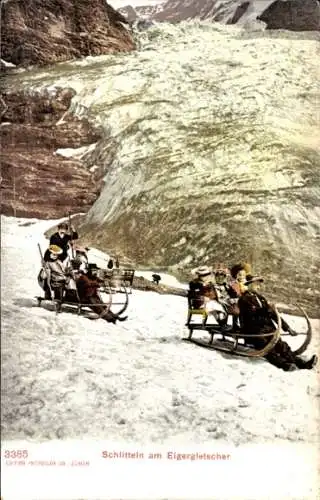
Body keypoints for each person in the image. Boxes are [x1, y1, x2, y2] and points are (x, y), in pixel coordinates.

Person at [238, 275, 318, 371]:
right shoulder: (243, 299)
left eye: (259, 284)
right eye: (256, 284)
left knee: (282, 346)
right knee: (269, 349)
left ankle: (301, 363)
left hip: (268, 330)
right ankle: (284, 365)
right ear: (249, 285)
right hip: (254, 332)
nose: (258, 286)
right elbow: (252, 315)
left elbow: (273, 314)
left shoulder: (261, 298)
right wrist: (268, 309)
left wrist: (287, 328)